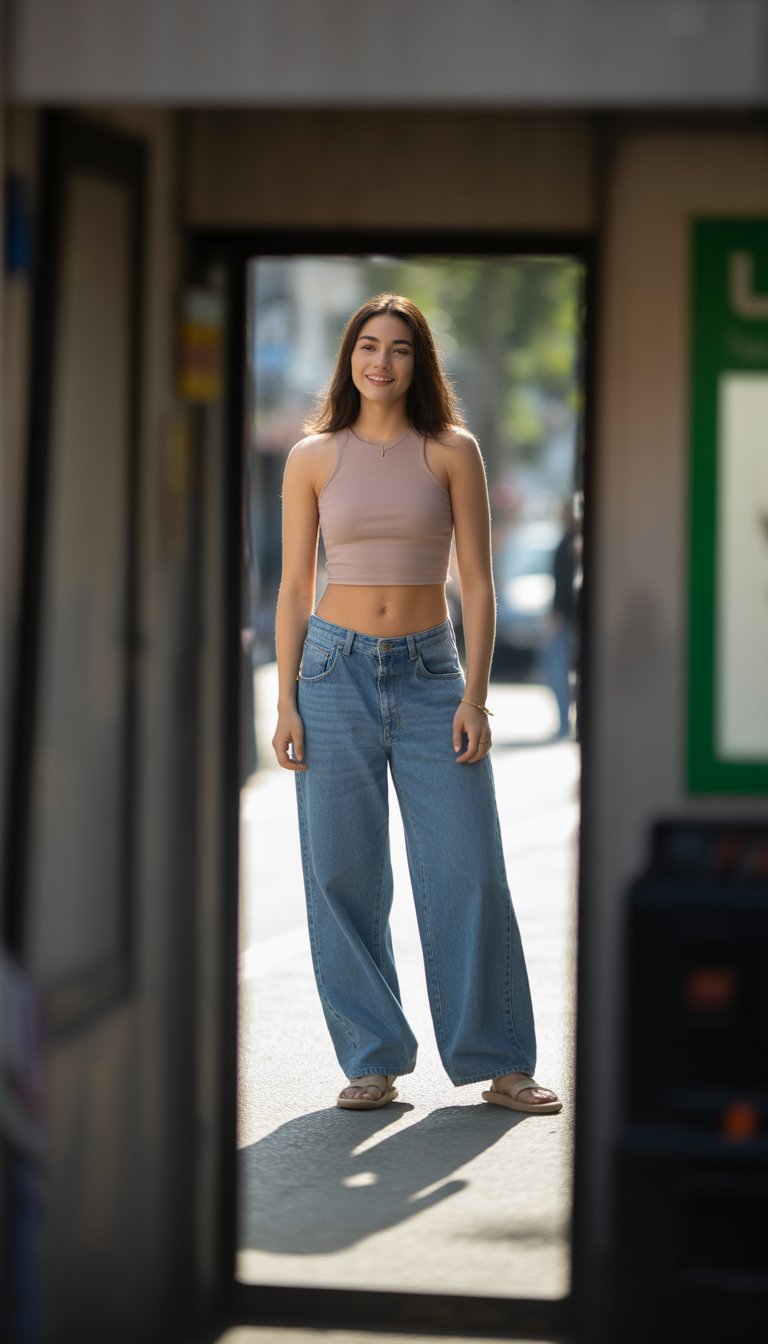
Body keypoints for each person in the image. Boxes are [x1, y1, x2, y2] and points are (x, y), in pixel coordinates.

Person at [271, 294, 561, 1116]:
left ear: (419, 362)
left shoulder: (451, 450)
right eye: (368, 345)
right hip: (332, 674)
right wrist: (286, 700)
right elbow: (295, 587)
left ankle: (501, 1061)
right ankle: (372, 1058)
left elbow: (476, 581)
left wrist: (476, 694)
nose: (381, 362)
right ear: (348, 357)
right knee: (341, 874)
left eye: (399, 349)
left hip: (434, 675)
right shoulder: (312, 456)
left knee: (469, 869)